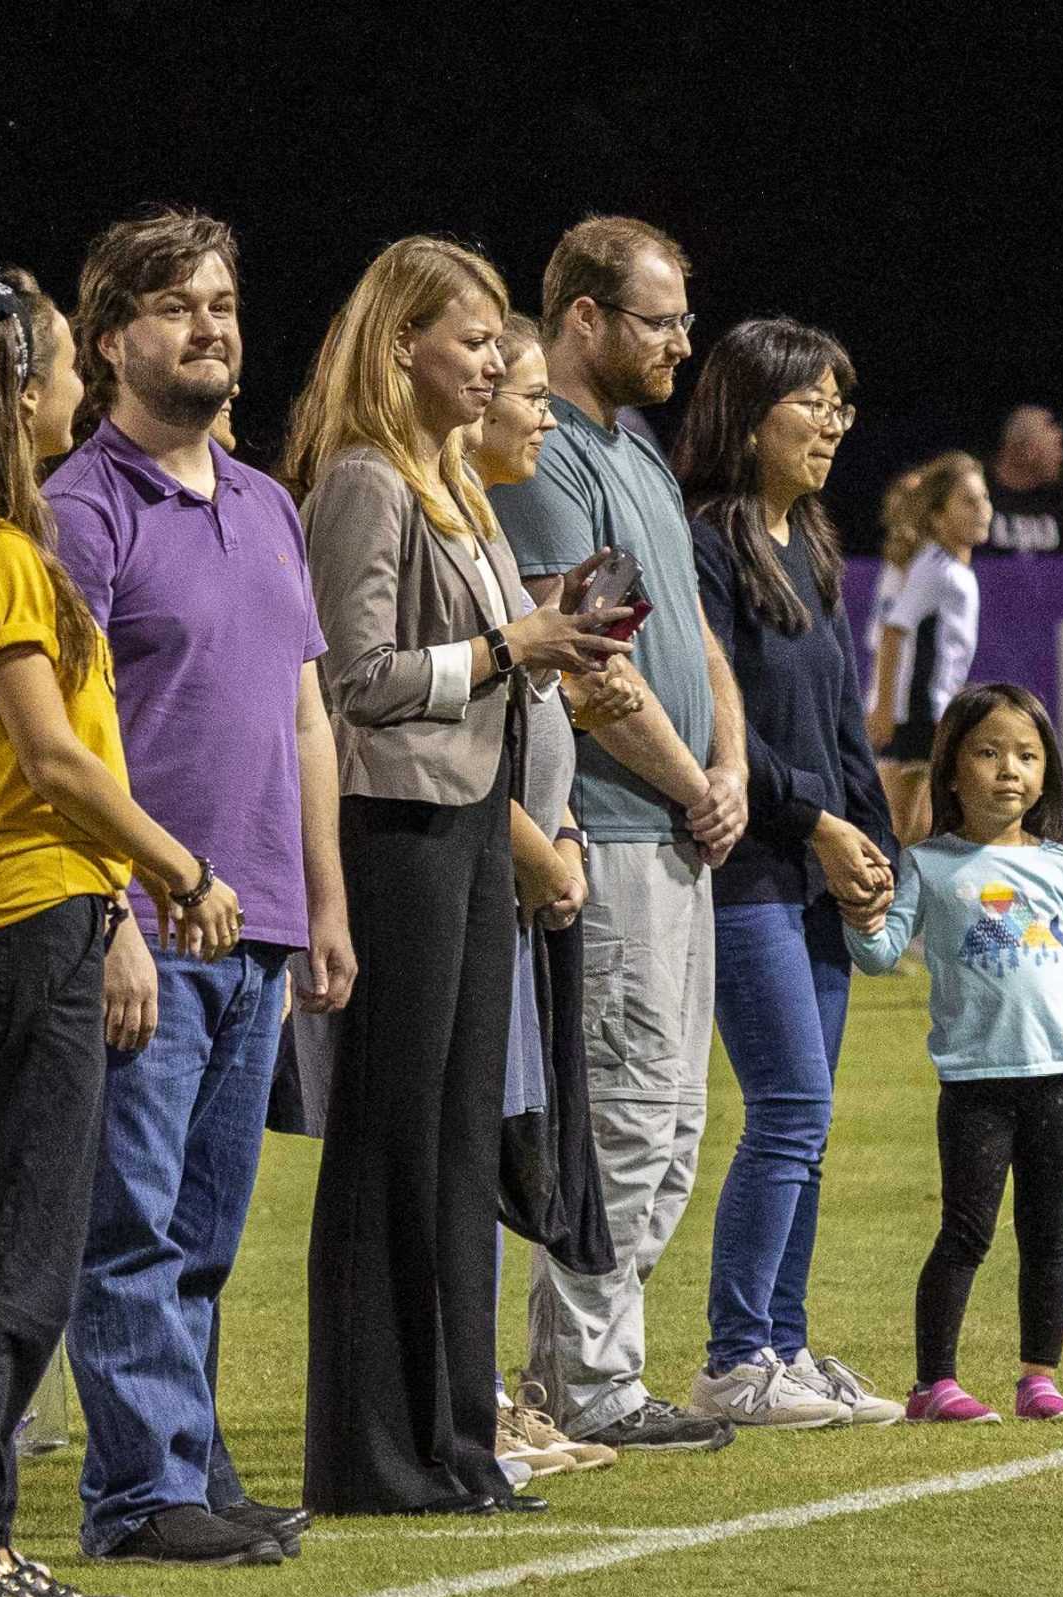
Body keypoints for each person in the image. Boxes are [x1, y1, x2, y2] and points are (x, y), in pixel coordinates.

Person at [0, 258, 238, 1597]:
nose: (85, 389)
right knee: (5, 1259)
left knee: (1, 1250)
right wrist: (175, 869)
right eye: (68, 370)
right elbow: (53, 759)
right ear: (22, 388)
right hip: (22, 920)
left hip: (4, 921)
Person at [283, 236, 631, 1516]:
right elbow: (351, 680)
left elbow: (483, 660)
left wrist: (553, 654)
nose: (494, 360)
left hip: (472, 827)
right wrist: (505, 647)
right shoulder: (365, 481)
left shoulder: (452, 483)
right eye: (473, 338)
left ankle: (453, 1442)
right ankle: (373, 1454)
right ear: (398, 348)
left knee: (455, 1144)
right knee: (391, 1141)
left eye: (499, 341)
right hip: (398, 836)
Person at [47, 210, 350, 1569]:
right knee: (132, 1225)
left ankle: (193, 1468)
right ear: (109, 338)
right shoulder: (81, 506)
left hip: (259, 925)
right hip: (150, 924)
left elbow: (303, 718)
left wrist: (322, 903)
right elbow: (58, 736)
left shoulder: (269, 502)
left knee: (208, 1227)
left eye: (223, 302)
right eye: (177, 306)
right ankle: (136, 1492)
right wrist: (112, 910)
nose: (211, 327)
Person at [491, 215, 750, 1455]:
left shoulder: (634, 447)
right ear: (584, 318)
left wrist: (732, 762)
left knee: (674, 1123)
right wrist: (691, 781)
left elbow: (690, 628)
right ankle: (584, 1386)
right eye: (661, 321)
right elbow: (583, 667)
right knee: (625, 1119)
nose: (682, 344)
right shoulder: (552, 464)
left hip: (676, 828)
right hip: (609, 828)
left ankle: (579, 1378)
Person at [672, 317, 903, 1430]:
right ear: (748, 411)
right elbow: (716, 727)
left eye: (839, 405)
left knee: (806, 1122)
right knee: (790, 1105)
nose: (830, 424)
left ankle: (786, 1345)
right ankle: (730, 1355)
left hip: (817, 866)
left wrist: (876, 849)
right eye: (810, 402)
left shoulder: (809, 540)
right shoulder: (704, 539)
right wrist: (817, 825)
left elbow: (843, 721)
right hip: (747, 868)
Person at [843, 682, 1063, 1426]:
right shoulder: (930, 865)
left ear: (1047, 775)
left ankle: (1039, 1377)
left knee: (1048, 1234)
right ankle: (934, 1382)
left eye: (1027, 755)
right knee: (965, 1232)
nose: (1010, 769)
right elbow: (879, 954)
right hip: (975, 1084)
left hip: (1059, 1082)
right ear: (952, 770)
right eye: (990, 751)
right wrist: (857, 911)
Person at [466, 310, 638, 1481]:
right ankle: (463, 1394)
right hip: (474, 872)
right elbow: (418, 719)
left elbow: (520, 708)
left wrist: (560, 810)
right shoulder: (429, 514)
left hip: (526, 870)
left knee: (502, 1143)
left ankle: (480, 1389)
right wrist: (533, 838)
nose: (537, 414)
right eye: (522, 394)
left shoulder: (475, 518)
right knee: (464, 1148)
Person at [867, 451, 993, 848]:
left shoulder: (952, 569)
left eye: (985, 498)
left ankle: (902, 903)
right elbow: (893, 632)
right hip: (920, 713)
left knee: (918, 826)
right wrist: (886, 708)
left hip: (935, 708)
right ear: (938, 516)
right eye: (968, 502)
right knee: (903, 828)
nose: (982, 510)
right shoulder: (933, 568)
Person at [985, 404, 1063, 553]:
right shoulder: (975, 498)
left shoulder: (1060, 505)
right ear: (1027, 451)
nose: (1061, 456)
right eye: (1056, 447)